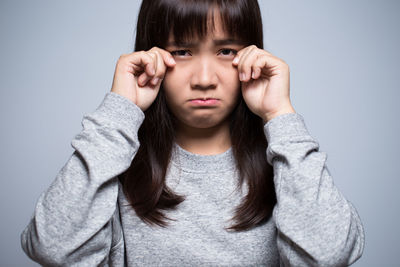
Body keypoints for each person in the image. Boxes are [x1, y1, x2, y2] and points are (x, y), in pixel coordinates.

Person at [20, 0, 365, 266]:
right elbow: (53, 249)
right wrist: (120, 110)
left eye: (226, 51)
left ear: (253, 56)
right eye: (181, 52)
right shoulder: (115, 166)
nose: (204, 78)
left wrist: (280, 115)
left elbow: (330, 256)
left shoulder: (287, 169)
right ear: (150, 57)